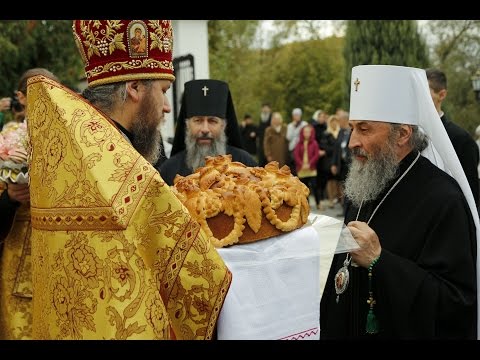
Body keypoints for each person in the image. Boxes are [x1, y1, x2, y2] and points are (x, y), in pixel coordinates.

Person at [26, 19, 231, 340]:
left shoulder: (67, 150)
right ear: (134, 88)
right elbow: (201, 281)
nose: (166, 107)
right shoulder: (122, 166)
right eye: (162, 91)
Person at [320, 65, 479, 339]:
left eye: (365, 129)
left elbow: (456, 304)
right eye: (352, 129)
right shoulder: (367, 179)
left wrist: (379, 262)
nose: (352, 142)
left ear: (402, 135)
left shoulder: (443, 199)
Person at [0, 68, 59, 340]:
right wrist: (10, 198)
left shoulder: (68, 139)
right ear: (21, 98)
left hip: (62, 257)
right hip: (18, 261)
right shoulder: (8, 140)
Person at [159, 79, 257, 186]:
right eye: (198, 121)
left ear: (223, 125)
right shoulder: (168, 170)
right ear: (187, 125)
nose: (205, 129)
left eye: (212, 121)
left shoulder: (246, 164)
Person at [426, 68, 480, 209]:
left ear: (441, 95)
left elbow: (471, 195)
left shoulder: (462, 140)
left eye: (425, 93)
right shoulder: (405, 135)